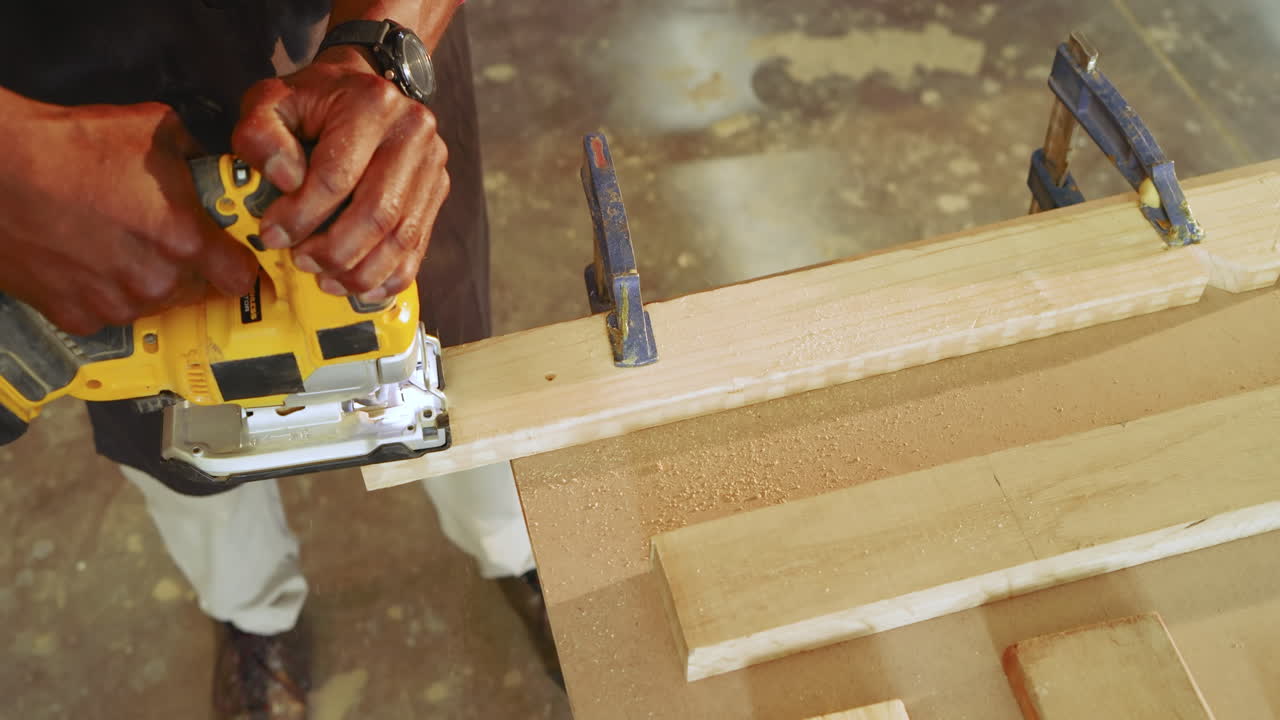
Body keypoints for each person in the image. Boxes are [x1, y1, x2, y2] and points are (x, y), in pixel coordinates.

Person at [0, 2, 559, 717]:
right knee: (168, 443)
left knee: (452, 359)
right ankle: (252, 614)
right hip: (51, 103)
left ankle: (518, 551)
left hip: (344, 64)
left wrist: (380, 50)